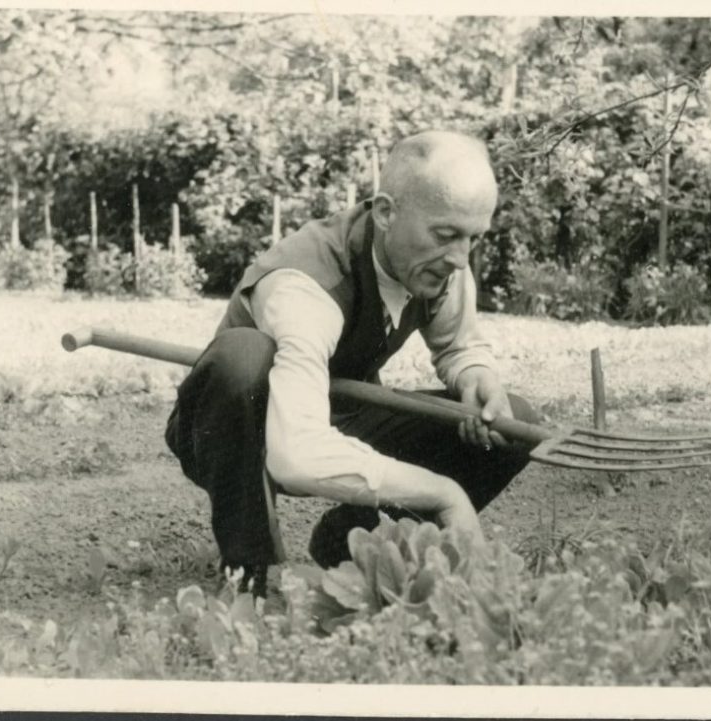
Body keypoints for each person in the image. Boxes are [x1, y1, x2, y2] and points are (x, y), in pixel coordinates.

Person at [165, 130, 539, 596]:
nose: (461, 259)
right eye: (446, 236)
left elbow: (458, 344)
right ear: (386, 212)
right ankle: (246, 570)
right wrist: (444, 493)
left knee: (514, 425)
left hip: (339, 409)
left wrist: (474, 375)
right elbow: (295, 455)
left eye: (473, 238)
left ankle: (357, 544)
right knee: (242, 359)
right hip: (241, 431)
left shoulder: (436, 262)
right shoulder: (307, 285)